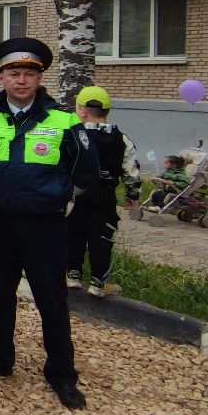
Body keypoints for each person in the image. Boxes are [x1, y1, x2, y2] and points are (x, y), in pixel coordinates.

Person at [0, 37, 97, 411]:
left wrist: (62, 199)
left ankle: (62, 373)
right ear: (1, 77)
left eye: (28, 74)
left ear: (39, 78)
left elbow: (86, 171)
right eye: (13, 73)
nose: (21, 81)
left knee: (51, 298)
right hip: (0, 223)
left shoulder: (64, 120)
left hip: (45, 225)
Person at [66, 86, 139, 299]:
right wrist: (132, 195)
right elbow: (131, 169)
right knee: (102, 236)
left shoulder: (74, 135)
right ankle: (99, 282)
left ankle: (73, 274)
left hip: (76, 193)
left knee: (74, 231)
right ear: (106, 111)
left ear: (82, 110)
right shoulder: (121, 139)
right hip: (104, 193)